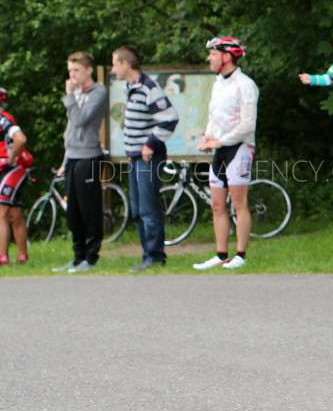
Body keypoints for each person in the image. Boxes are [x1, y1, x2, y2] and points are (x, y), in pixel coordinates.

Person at [194, 36, 259, 271]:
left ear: (227, 56)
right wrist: (208, 135)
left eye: (213, 54)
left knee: (239, 203)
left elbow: (247, 125)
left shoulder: (245, 84)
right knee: (217, 204)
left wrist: (219, 140)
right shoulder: (218, 83)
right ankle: (221, 254)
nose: (209, 58)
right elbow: (214, 116)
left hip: (239, 147)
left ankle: (241, 255)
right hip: (220, 149)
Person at [113, 45, 178, 271]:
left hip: (148, 158)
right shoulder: (132, 88)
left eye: (115, 64)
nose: (113, 69)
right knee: (137, 210)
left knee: (149, 209)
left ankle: (155, 256)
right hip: (134, 158)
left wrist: (150, 143)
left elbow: (170, 117)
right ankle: (146, 255)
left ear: (126, 64)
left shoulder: (148, 87)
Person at [56, 52, 109, 273]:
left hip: (89, 156)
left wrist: (69, 97)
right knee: (73, 211)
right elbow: (70, 130)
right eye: (70, 70)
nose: (72, 75)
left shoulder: (99, 92)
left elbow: (80, 120)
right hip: (73, 156)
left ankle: (91, 256)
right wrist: (64, 160)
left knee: (89, 209)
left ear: (88, 70)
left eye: (76, 70)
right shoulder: (75, 92)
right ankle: (77, 257)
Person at [0, 86, 33, 266]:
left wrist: (11, 157)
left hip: (11, 170)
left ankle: (2, 257)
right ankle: (22, 256)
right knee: (14, 214)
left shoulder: (3, 119)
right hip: (9, 170)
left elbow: (21, 139)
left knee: (1, 213)